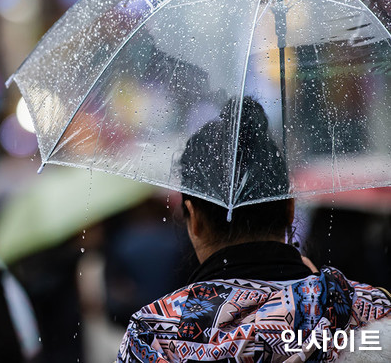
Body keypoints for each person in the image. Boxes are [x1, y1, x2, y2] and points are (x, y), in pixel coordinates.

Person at [116, 97, 391, 362]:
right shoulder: (368, 314)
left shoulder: (154, 335)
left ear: (193, 217)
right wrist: (317, 298)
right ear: (290, 209)